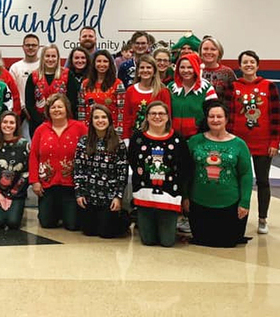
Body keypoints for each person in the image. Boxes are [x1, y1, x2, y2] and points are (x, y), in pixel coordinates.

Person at [186, 100, 252, 248]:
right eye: (211, 116)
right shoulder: (195, 141)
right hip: (199, 204)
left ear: (226, 119)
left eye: (219, 116)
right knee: (201, 242)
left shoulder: (239, 144)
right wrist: (185, 197)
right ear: (206, 119)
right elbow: (186, 172)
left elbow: (246, 175)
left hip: (229, 205)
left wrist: (245, 202)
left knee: (227, 243)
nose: (215, 120)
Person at [229, 50, 280, 235]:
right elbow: (229, 115)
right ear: (240, 66)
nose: (248, 65)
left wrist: (275, 141)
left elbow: (275, 116)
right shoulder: (233, 86)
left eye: (252, 62)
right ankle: (236, 214)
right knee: (237, 180)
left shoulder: (269, 86)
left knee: (262, 181)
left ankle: (262, 219)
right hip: (238, 143)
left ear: (257, 65)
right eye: (245, 62)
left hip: (263, 142)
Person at [128, 101, 190, 247]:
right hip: (144, 194)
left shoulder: (178, 139)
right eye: (153, 113)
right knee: (148, 241)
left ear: (168, 117)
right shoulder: (137, 138)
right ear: (147, 117)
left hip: (170, 196)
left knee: (167, 242)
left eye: (161, 113)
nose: (157, 117)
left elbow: (185, 167)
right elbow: (132, 161)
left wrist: (183, 194)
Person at [29, 93, 87, 230]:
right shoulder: (41, 130)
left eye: (60, 107)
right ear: (48, 110)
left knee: (72, 225)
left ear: (67, 108)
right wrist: (34, 181)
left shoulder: (80, 128)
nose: (56, 110)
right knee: (47, 223)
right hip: (48, 184)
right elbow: (33, 156)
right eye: (53, 107)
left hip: (72, 185)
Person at [74, 105, 129, 238]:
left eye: (104, 117)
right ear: (91, 121)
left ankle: (125, 218)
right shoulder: (83, 142)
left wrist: (118, 197)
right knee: (89, 232)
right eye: (96, 117)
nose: (100, 120)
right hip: (89, 195)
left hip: (109, 197)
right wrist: (79, 193)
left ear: (109, 120)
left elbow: (122, 173)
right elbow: (78, 169)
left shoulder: (118, 143)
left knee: (106, 233)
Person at [168, 52, 217, 140]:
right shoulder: (170, 87)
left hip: (199, 138)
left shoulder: (207, 88)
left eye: (190, 67)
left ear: (196, 68)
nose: (186, 71)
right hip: (173, 137)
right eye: (182, 67)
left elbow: (213, 114)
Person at [123, 54, 172, 139]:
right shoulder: (130, 90)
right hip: (135, 136)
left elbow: (168, 117)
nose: (145, 70)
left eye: (149, 67)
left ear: (154, 71)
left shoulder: (163, 91)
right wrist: (126, 138)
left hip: (158, 135)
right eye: (142, 68)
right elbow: (126, 117)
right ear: (137, 71)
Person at [24, 44, 68, 136]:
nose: (50, 59)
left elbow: (72, 100)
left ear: (58, 58)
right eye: (47, 56)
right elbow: (29, 103)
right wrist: (40, 121)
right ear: (42, 58)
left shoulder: (67, 75)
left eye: (53, 56)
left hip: (62, 123)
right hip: (38, 124)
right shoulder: (33, 76)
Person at [79, 50, 125, 137]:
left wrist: (119, 132)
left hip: (111, 131)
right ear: (94, 64)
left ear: (110, 64)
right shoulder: (85, 84)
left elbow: (121, 111)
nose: (102, 64)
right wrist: (83, 131)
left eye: (105, 61)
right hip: (90, 131)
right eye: (99, 61)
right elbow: (81, 110)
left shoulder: (118, 84)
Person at [8, 34, 41, 137]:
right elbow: (13, 90)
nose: (30, 47)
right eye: (28, 45)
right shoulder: (15, 67)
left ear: (38, 47)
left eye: (34, 45)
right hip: (21, 113)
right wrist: (23, 107)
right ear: (23, 47)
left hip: (41, 112)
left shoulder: (43, 65)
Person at [199, 36, 237, 101]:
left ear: (219, 52)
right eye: (205, 49)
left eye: (213, 49)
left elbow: (234, 97)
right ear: (200, 51)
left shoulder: (227, 72)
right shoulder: (195, 71)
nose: (209, 52)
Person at [66, 48, 90, 121]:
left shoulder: (92, 76)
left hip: (88, 116)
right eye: (76, 58)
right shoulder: (66, 76)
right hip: (70, 116)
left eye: (83, 58)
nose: (80, 61)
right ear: (71, 60)